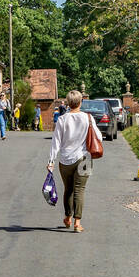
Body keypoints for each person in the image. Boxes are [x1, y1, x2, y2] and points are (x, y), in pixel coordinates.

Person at [47, 89, 99, 232]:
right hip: (84, 158)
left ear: (68, 103)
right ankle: (77, 222)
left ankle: (67, 217)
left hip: (65, 160)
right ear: (81, 102)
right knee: (80, 190)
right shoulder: (88, 118)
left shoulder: (62, 119)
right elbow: (98, 137)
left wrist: (51, 161)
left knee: (68, 189)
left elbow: (55, 142)